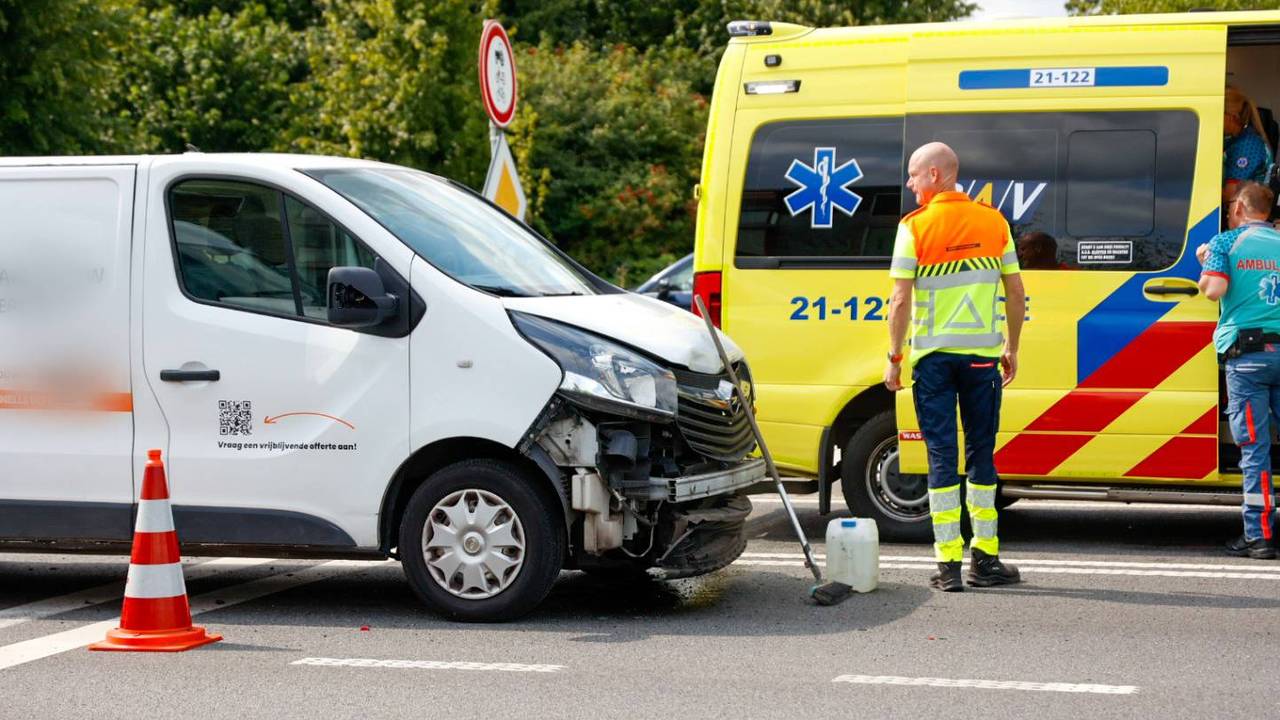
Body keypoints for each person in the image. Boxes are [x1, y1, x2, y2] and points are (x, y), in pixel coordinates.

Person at [886, 142, 1027, 591]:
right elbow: (1016, 291)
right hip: (982, 359)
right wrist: (1013, 347)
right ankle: (985, 560)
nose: (909, 184)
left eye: (913, 175)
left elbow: (900, 299)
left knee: (942, 458)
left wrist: (894, 358)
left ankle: (948, 566)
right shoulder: (995, 222)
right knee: (981, 455)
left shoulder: (914, 228)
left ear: (934, 175)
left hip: (932, 363)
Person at [1197, 181, 1280, 559]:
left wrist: (1206, 264)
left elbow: (1213, 290)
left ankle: (1258, 536)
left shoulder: (1224, 243)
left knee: (1255, 449)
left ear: (1239, 209)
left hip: (1247, 358)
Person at [1223, 85, 1273, 205]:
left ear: (1231, 117)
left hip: (1246, 215)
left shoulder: (1248, 145)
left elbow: (1231, 195)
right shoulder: (1232, 139)